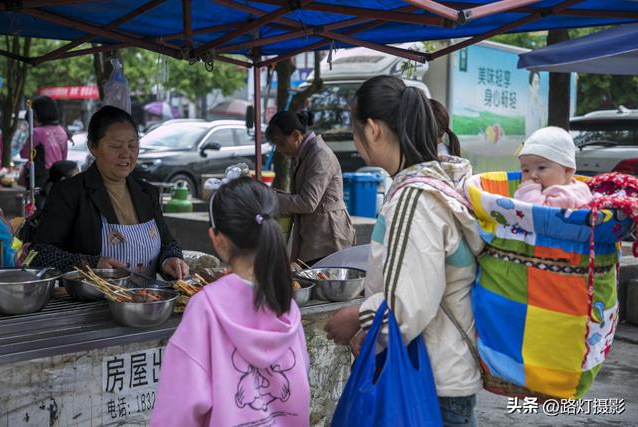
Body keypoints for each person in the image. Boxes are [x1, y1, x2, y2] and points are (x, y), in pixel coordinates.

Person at [324, 75, 484, 426]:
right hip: (439, 376)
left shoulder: (414, 200)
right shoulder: (434, 185)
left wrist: (356, 318)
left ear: (373, 128)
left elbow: (403, 311)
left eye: (354, 129)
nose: (355, 140)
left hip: (429, 385)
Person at [151, 177, 310, 427]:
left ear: (218, 240)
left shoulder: (206, 308)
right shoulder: (285, 303)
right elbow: (300, 383)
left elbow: (178, 412)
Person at [30, 105, 188, 279]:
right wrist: (92, 264)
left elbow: (168, 243)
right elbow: (39, 254)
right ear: (93, 147)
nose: (126, 154)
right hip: (92, 302)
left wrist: (171, 259)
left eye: (133, 145)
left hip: (146, 300)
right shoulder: (69, 192)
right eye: (116, 146)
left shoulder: (147, 193)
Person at [266, 110, 354, 265]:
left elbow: (308, 202)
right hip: (316, 235)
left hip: (328, 237)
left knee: (324, 286)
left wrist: (271, 198)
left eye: (281, 143)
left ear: (295, 136)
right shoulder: (307, 153)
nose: (279, 149)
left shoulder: (320, 155)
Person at [514, 126, 593, 209]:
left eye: (541, 168)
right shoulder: (579, 186)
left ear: (567, 171)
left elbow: (540, 215)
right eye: (526, 170)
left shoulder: (565, 195)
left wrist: (529, 192)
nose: (532, 175)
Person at [19, 96, 69, 189]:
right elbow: (64, 157)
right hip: (57, 178)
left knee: (37, 203)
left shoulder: (37, 132)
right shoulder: (62, 131)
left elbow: (23, 154)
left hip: (40, 180)